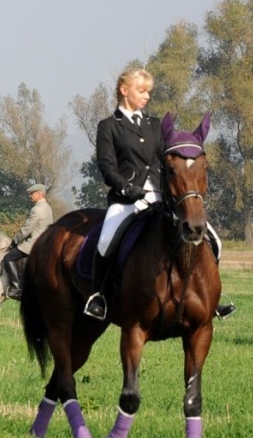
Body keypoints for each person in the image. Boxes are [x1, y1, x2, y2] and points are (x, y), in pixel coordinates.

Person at [84, 69, 235, 320]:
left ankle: (213, 298)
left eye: (148, 92)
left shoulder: (155, 125)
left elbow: (171, 158)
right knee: (105, 240)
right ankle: (99, 297)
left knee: (214, 240)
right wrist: (125, 187)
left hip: (162, 197)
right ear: (124, 90)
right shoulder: (109, 126)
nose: (146, 96)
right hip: (127, 200)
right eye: (141, 91)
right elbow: (107, 167)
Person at [3, 184, 53, 300]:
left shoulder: (36, 209)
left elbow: (26, 230)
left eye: (32, 194)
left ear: (39, 194)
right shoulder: (48, 208)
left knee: (8, 258)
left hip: (34, 244)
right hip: (45, 244)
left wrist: (14, 241)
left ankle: (16, 289)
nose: (30, 196)